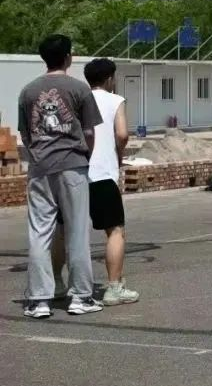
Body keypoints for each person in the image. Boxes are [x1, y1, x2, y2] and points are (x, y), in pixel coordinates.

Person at [20, 34, 103, 319]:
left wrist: (38, 155)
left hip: (40, 168)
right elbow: (89, 132)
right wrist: (85, 156)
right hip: (73, 164)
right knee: (77, 233)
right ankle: (80, 296)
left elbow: (25, 134)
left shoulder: (28, 91)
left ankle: (39, 300)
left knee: (39, 233)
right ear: (68, 57)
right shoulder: (80, 89)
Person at [52, 59, 139, 306]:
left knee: (62, 230)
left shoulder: (76, 99)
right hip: (102, 174)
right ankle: (114, 287)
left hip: (73, 171)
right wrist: (119, 153)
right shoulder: (115, 100)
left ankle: (57, 283)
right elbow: (122, 134)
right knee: (115, 230)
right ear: (110, 78)